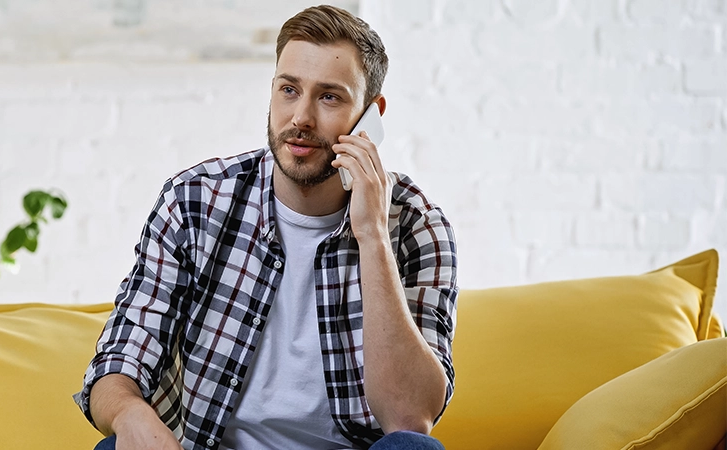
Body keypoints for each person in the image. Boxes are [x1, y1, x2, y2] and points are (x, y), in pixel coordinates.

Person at [75, 5, 458, 450]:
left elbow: (410, 417)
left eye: (329, 96)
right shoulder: (195, 202)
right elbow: (117, 362)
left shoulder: (416, 226)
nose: (301, 118)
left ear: (371, 117)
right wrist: (129, 414)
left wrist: (371, 234)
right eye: (289, 90)